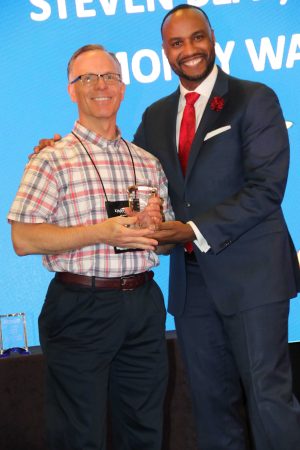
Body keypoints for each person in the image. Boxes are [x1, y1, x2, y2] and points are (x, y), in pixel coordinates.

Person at [133, 5, 300, 450]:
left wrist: (190, 229)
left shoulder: (254, 98)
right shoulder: (154, 116)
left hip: (253, 278)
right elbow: (128, 173)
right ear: (165, 52)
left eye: (197, 38)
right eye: (177, 43)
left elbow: (267, 189)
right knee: (210, 405)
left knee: (268, 399)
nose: (189, 50)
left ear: (212, 39)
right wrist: (64, 146)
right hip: (191, 286)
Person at [8, 44, 174, 450]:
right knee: (79, 435)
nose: (101, 86)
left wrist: (159, 228)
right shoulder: (51, 160)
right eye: (88, 78)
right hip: (80, 305)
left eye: (110, 77)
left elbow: (166, 247)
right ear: (71, 90)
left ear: (123, 87)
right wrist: (100, 233)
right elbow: (22, 238)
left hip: (143, 301)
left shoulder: (148, 162)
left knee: (145, 429)